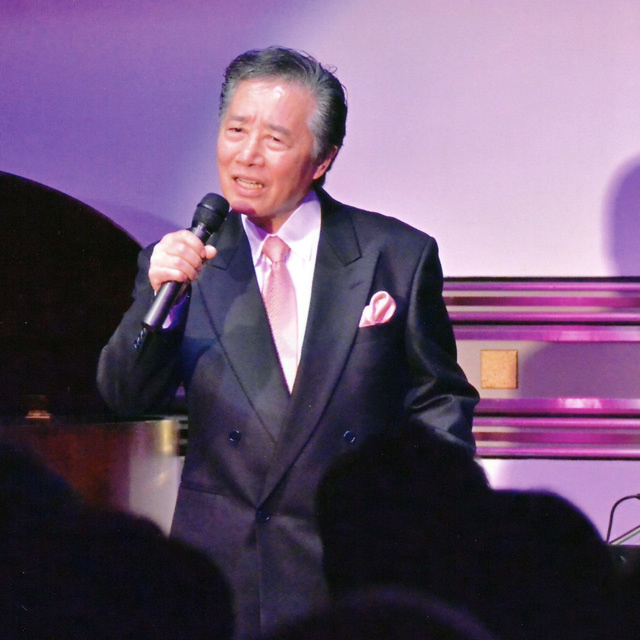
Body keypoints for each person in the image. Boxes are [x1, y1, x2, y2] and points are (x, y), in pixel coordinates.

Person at [97, 46, 478, 638]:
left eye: (274, 139)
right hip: (222, 570)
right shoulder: (183, 262)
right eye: (236, 130)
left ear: (322, 159)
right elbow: (123, 396)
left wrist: (424, 518)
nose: (247, 154)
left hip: (351, 561)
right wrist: (161, 303)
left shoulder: (395, 255)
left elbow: (440, 401)